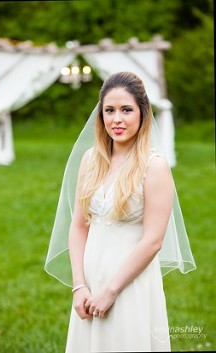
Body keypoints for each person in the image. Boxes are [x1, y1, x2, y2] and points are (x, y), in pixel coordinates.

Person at [44, 71, 195, 352]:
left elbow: (153, 241)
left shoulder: (154, 167)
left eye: (126, 110)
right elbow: (78, 226)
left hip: (130, 283)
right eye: (109, 110)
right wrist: (79, 286)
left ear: (142, 114)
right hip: (91, 278)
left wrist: (111, 290)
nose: (117, 119)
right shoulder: (91, 161)